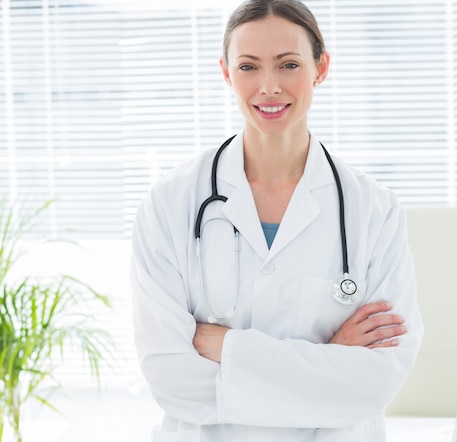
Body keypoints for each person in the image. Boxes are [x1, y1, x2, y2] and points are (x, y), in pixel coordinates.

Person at [129, 1, 423, 440]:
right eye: (248, 66)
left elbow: (376, 381)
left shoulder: (373, 210)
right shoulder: (170, 203)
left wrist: (225, 347)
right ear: (227, 72)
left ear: (320, 68)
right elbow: (171, 379)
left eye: (288, 64)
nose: (268, 86)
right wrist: (331, 358)